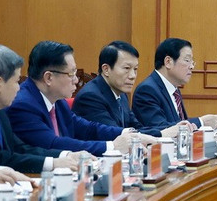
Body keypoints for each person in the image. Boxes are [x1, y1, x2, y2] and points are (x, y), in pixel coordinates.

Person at [8, 41, 154, 157]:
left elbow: (87, 129)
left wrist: (127, 134)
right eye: (71, 74)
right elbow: (52, 144)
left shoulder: (57, 100)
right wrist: (112, 146)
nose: (76, 80)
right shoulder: (23, 105)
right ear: (49, 78)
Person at [0, 45, 80, 173]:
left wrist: (64, 156)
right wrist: (52, 163)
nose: (19, 88)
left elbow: (19, 148)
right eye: (16, 81)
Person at [73, 41, 187, 138]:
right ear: (106, 69)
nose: (132, 75)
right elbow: (116, 135)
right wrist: (162, 134)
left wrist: (172, 128)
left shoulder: (121, 94)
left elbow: (136, 127)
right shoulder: (90, 97)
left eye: (135, 69)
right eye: (127, 68)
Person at [132, 38, 217, 130]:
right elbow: (160, 129)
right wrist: (201, 122)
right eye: (187, 60)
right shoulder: (147, 90)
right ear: (168, 62)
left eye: (192, 62)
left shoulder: (174, 89)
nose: (191, 66)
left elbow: (178, 124)